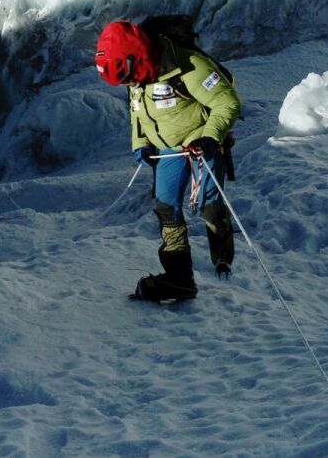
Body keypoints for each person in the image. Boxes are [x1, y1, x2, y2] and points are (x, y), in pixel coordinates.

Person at [95, 19, 241, 302]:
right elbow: (138, 114)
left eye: (126, 77)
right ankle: (179, 278)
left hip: (202, 143)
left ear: (137, 56)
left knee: (210, 205)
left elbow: (227, 102)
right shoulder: (137, 74)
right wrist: (141, 143)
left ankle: (222, 257)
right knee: (166, 209)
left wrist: (211, 137)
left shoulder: (188, 65)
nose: (128, 84)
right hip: (167, 150)